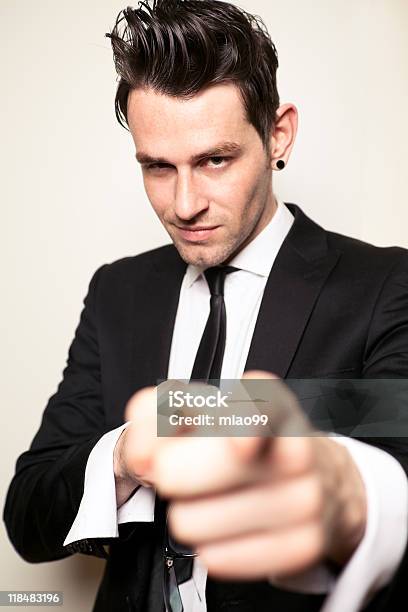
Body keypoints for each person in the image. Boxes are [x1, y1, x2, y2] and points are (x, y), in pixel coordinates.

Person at [3, 1, 408, 611]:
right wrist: (123, 456)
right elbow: (28, 516)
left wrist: (346, 493)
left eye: (214, 160)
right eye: (157, 167)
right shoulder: (117, 292)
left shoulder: (385, 284)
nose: (184, 204)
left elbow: (395, 465)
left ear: (278, 135)